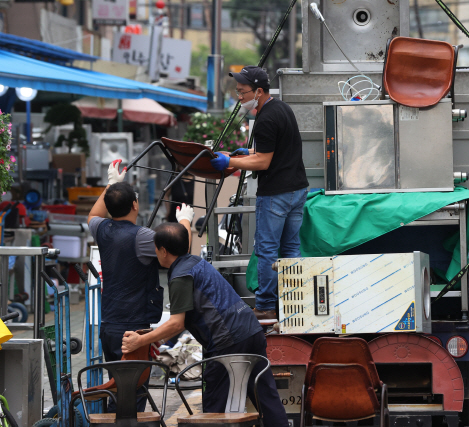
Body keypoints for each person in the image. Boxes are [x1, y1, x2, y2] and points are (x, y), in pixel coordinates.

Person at [121, 222, 288, 427]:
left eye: (156, 248)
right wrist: (157, 337)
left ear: (163, 251)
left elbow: (176, 323)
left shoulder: (180, 276)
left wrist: (140, 341)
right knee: (265, 396)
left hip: (227, 342)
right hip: (251, 330)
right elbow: (183, 321)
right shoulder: (194, 262)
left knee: (214, 406)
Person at [88, 159, 194, 411]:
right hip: (133, 329)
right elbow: (181, 248)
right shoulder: (142, 238)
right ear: (135, 204)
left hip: (109, 326)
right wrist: (186, 221)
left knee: (116, 388)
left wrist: (112, 185)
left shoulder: (101, 229)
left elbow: (93, 213)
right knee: (133, 394)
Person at [209, 66, 309, 320]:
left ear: (259, 91)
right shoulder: (282, 108)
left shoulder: (265, 118)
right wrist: (246, 154)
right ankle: (292, 304)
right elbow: (274, 153)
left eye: (242, 92)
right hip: (297, 191)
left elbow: (264, 163)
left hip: (276, 194)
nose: (239, 96)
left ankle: (265, 306)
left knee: (267, 251)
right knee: (291, 250)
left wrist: (228, 162)